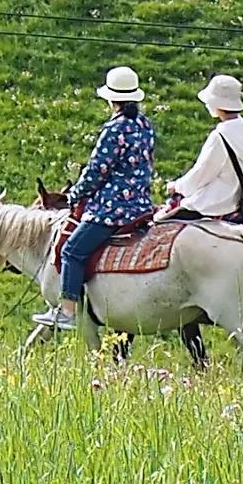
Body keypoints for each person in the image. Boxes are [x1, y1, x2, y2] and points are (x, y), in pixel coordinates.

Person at [53, 65, 157, 340]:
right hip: (142, 205)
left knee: (72, 251)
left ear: (112, 100)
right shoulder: (144, 125)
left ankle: (66, 311)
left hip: (113, 209)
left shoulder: (114, 129)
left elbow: (97, 170)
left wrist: (75, 194)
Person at [163, 74, 243, 221]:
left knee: (159, 223)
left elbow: (201, 174)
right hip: (239, 198)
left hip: (214, 203)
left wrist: (177, 186)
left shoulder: (220, 137)